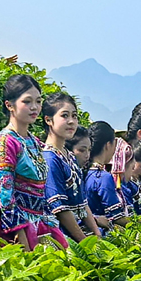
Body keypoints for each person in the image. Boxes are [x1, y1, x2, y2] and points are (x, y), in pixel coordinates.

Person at [0, 74, 67, 251]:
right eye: (27, 102)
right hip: (16, 229)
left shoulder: (34, 141)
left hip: (40, 223)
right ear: (9, 105)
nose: (34, 107)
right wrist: (22, 239)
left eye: (38, 101)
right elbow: (4, 196)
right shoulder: (5, 141)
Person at [40, 93, 101, 242]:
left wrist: (97, 237)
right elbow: (60, 209)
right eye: (64, 116)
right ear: (48, 120)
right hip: (59, 237)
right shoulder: (49, 157)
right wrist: (83, 241)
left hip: (77, 234)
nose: (71, 121)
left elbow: (82, 202)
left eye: (74, 116)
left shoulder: (70, 157)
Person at [84, 121, 129, 232]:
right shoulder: (103, 177)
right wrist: (140, 224)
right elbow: (116, 217)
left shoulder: (85, 172)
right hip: (101, 234)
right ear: (108, 145)